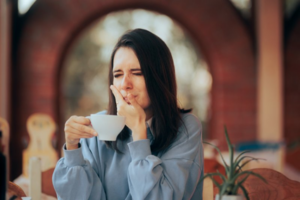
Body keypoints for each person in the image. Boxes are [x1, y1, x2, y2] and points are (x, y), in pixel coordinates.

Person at [52, 28, 204, 200]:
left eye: (137, 73)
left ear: (160, 77)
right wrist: (72, 149)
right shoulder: (98, 126)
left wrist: (139, 134)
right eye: (117, 74)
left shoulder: (185, 128)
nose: (125, 84)